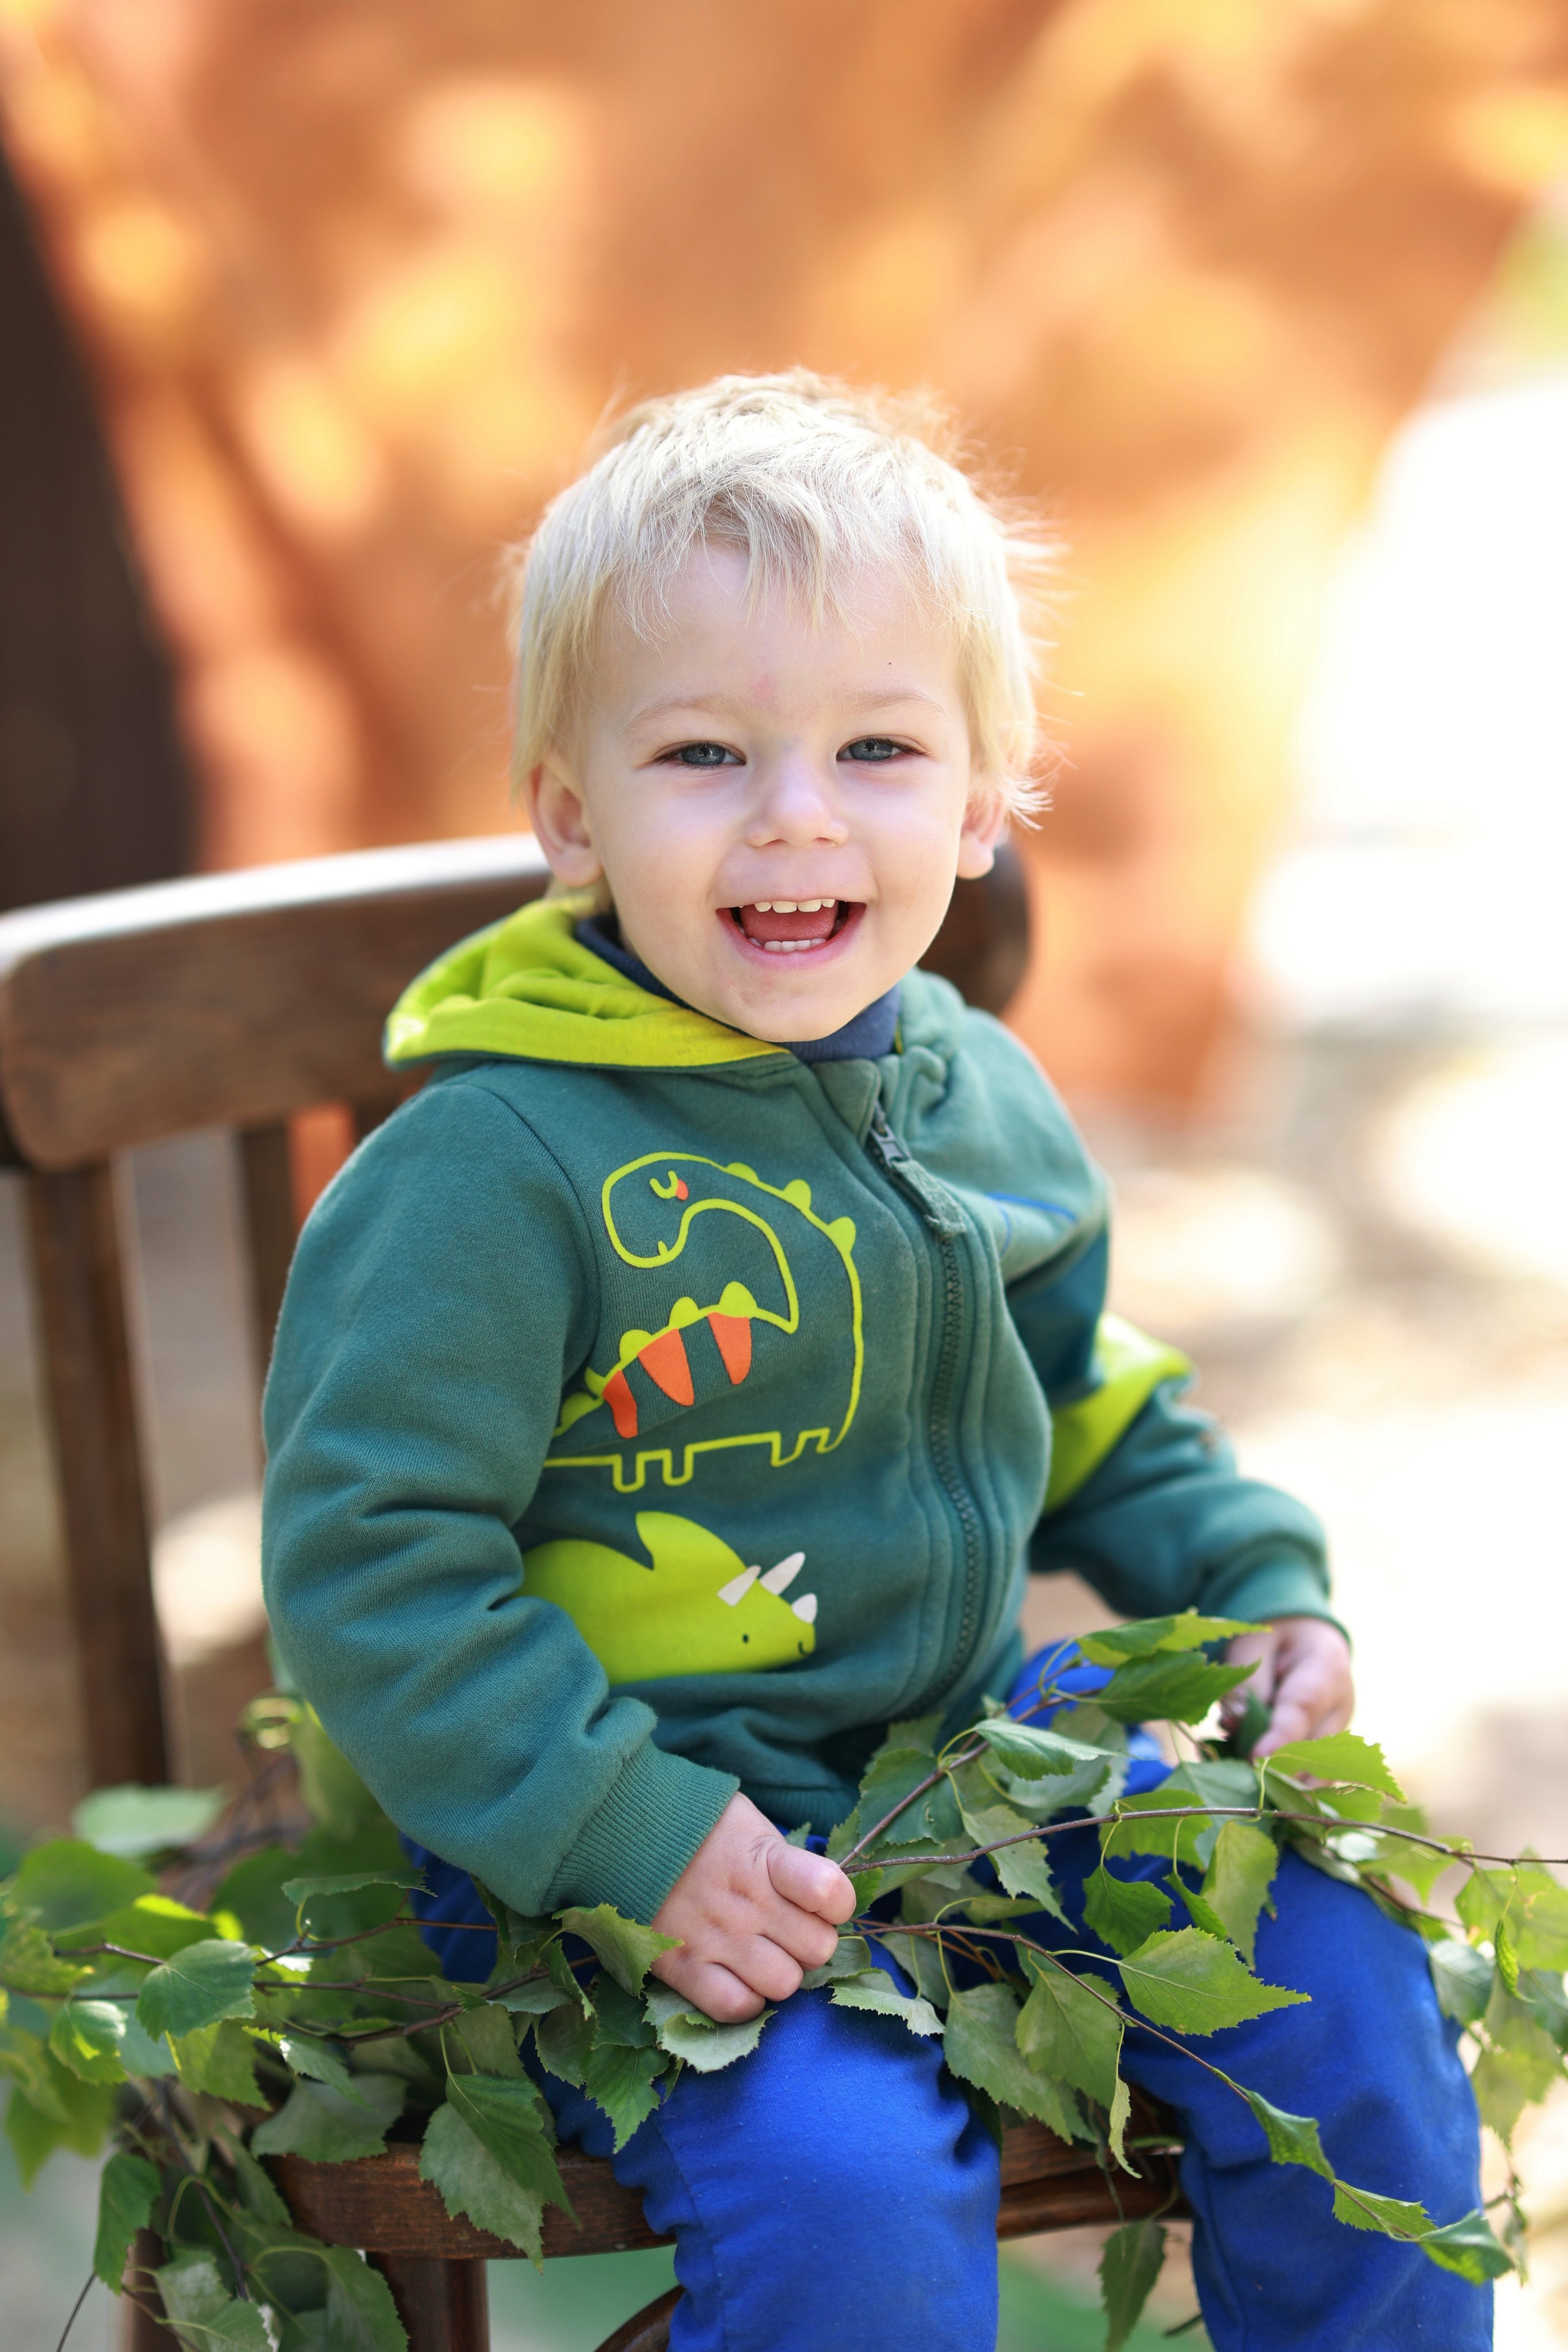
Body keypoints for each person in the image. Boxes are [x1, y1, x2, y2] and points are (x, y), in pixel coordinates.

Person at [262, 374, 1486, 2350]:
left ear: (989, 797)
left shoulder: (971, 1089)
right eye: (705, 754)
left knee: (1327, 1956)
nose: (798, 813)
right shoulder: (493, 1174)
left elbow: (1086, 1399)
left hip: (959, 1765)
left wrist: (1250, 1581)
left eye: (880, 747)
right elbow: (368, 1564)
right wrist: (619, 1835)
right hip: (617, 1838)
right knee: (846, 2184)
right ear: (572, 811)